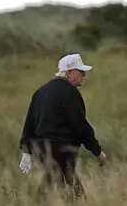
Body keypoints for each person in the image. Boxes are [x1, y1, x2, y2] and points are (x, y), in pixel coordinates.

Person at [18, 53, 107, 201]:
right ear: (70, 72)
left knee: (57, 187)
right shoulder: (70, 92)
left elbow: (29, 123)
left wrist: (27, 151)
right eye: (81, 72)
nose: (84, 75)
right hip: (61, 150)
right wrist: (97, 152)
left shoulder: (40, 91)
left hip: (42, 150)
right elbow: (80, 126)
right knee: (66, 192)